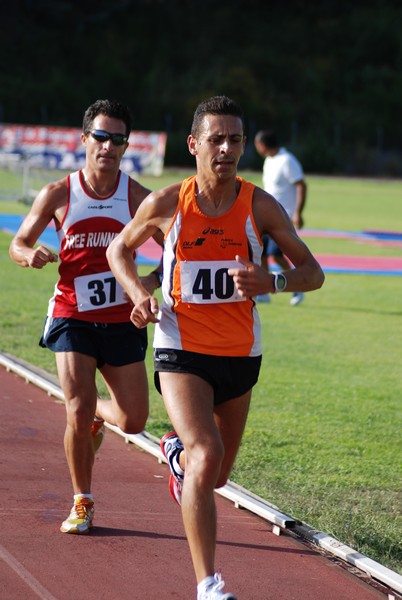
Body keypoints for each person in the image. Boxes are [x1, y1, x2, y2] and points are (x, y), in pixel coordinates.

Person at [107, 96, 324, 600]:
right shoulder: (166, 204)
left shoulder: (260, 205)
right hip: (180, 348)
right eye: (216, 139)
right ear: (194, 144)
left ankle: (176, 455)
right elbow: (119, 248)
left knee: (217, 473)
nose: (226, 148)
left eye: (235, 139)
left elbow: (312, 273)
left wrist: (269, 281)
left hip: (241, 355)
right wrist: (140, 293)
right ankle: (208, 584)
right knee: (208, 456)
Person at [9, 99, 163, 535]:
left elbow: (177, 246)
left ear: (126, 146)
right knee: (77, 407)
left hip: (121, 319)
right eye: (101, 136)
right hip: (71, 313)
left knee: (133, 421)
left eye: (118, 139)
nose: (108, 146)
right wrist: (28, 254)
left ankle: (100, 417)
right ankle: (83, 501)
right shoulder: (59, 193)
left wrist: (149, 281)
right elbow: (17, 242)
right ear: (84, 140)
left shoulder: (137, 197)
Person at [254, 129, 307, 305]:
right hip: (266, 216)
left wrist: (298, 212)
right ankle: (263, 292)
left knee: (276, 256)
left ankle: (297, 284)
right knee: (261, 254)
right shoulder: (269, 161)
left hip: (283, 218)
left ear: (262, 144)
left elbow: (301, 185)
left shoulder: (287, 160)